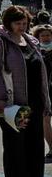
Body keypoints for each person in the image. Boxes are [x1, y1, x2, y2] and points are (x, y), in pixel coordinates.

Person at [0, 5, 50, 177]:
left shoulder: (31, 41)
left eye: (24, 23)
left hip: (35, 103)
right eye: (18, 23)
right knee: (15, 148)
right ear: (8, 23)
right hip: (14, 106)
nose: (22, 26)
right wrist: (0, 99)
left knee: (35, 148)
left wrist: (46, 101)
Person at [33, 23, 52, 156]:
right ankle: (51, 148)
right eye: (43, 35)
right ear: (38, 37)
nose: (46, 38)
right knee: (45, 120)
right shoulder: (34, 51)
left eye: (48, 35)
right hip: (43, 90)